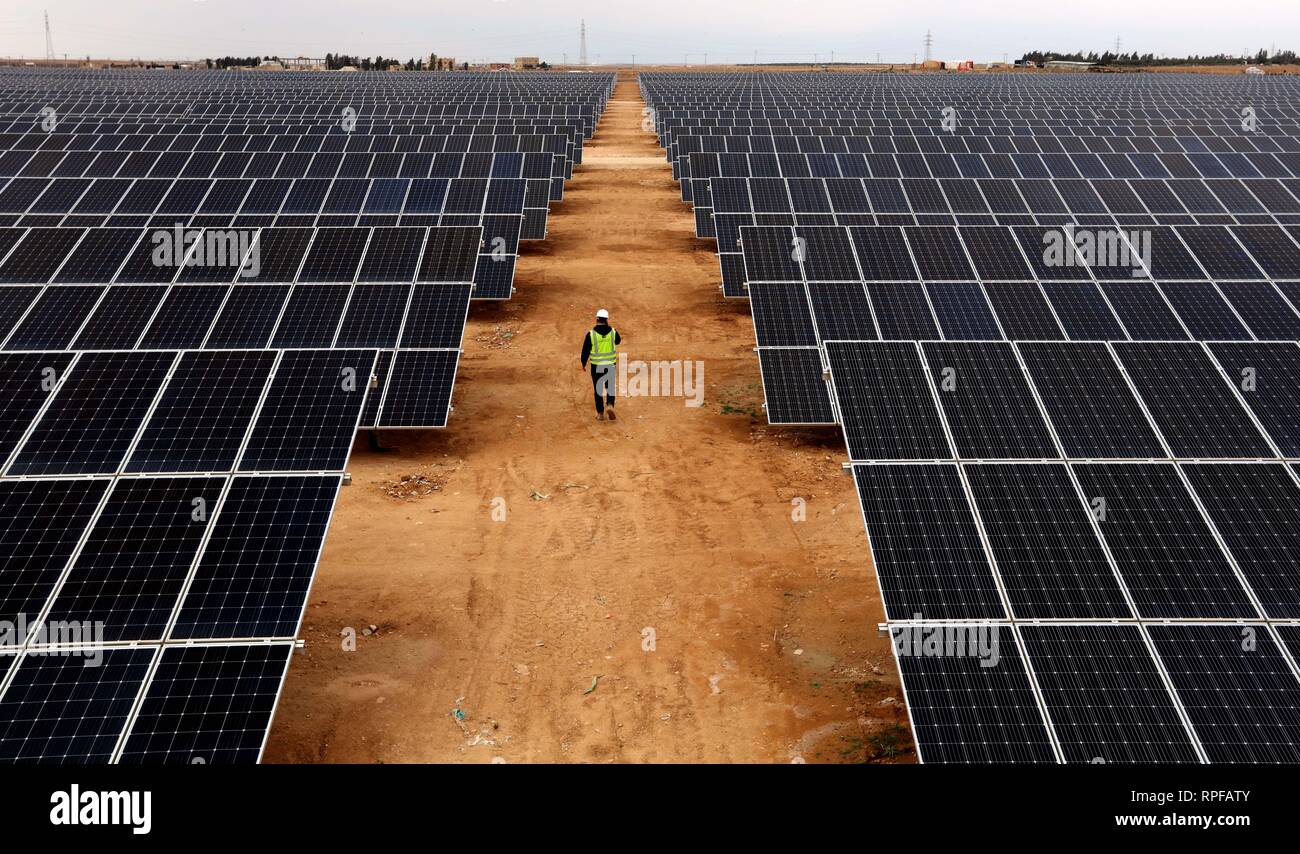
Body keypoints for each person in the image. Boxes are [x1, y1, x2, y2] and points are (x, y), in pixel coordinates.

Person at [579, 308, 622, 420]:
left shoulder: (591, 334)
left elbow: (585, 350)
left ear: (597, 319)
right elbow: (618, 341)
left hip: (597, 367)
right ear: (607, 320)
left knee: (598, 390)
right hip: (610, 365)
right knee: (610, 388)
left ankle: (600, 413)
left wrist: (583, 362)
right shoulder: (613, 332)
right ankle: (610, 405)